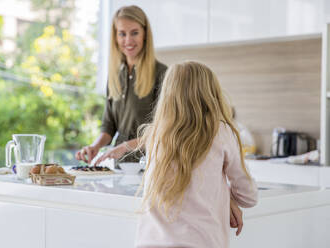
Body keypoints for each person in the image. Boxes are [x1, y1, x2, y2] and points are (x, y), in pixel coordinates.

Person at [135, 61, 258, 248]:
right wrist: (228, 199)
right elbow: (248, 197)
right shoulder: (221, 132)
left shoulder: (155, 134)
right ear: (212, 94)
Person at [75, 5, 167, 164]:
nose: (128, 40)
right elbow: (109, 125)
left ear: (145, 34)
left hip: (150, 164)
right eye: (122, 34)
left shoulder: (162, 74)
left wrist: (125, 146)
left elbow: (163, 130)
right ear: (115, 37)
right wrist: (94, 147)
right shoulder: (115, 75)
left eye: (135, 33)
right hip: (121, 165)